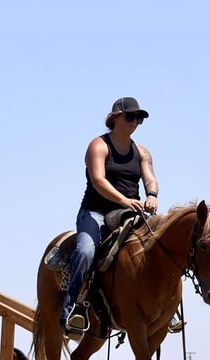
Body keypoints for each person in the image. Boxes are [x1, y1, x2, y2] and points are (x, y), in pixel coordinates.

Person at [61, 97, 160, 334]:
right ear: (115, 117)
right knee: (86, 252)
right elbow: (98, 180)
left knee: (159, 246)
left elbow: (149, 177)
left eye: (139, 118)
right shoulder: (99, 145)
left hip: (128, 213)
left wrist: (152, 194)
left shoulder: (142, 152)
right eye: (130, 116)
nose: (135, 122)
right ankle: (72, 310)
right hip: (95, 212)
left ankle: (164, 310)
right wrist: (124, 199)